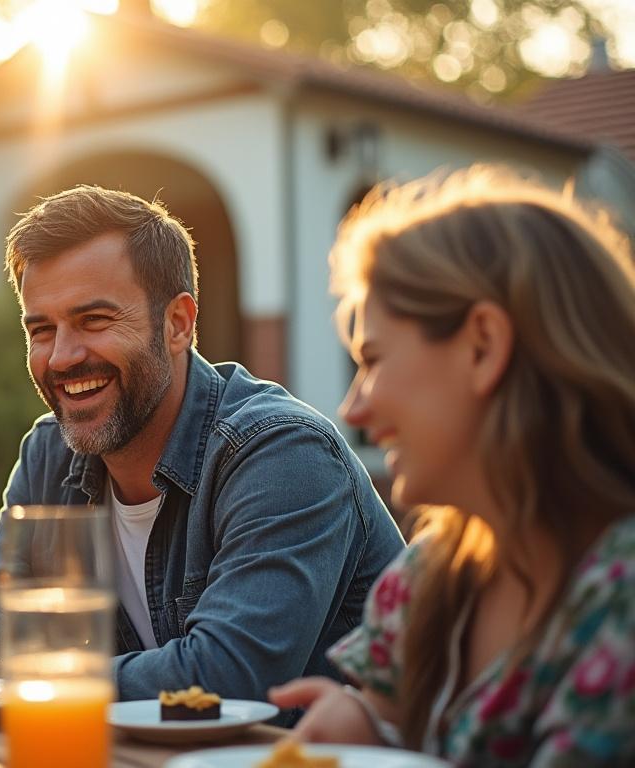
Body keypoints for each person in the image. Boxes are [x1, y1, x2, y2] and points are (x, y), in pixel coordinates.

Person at [0, 185, 405, 702]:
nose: (62, 357)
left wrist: (20, 676)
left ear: (178, 323)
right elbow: (0, 607)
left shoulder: (280, 454)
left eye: (93, 319)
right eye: (41, 330)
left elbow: (227, 675)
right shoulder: (50, 452)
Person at [269, 167, 635, 766]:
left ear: (483, 346)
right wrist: (364, 722)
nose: (352, 407)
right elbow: (383, 724)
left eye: (375, 360)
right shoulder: (433, 573)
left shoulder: (621, 594)